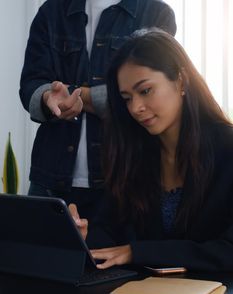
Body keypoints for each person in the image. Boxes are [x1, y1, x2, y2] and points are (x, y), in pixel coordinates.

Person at [72, 28, 233, 272]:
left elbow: (227, 251)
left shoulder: (227, 147)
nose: (136, 108)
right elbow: (107, 232)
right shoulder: (132, 152)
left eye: (145, 91)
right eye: (126, 98)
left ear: (181, 81)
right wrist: (83, 239)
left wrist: (137, 252)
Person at [19, 0, 176, 221]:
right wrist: (47, 98)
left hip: (121, 181)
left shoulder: (156, 13)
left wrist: (75, 93)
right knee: (39, 254)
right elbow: (30, 85)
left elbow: (143, 95)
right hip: (49, 179)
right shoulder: (51, 11)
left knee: (114, 253)